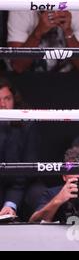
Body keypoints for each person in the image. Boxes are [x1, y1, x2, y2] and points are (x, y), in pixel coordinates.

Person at [0, 77, 39, 220]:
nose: (2, 104)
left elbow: (28, 166)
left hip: (19, 182)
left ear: (14, 100)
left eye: (7, 99)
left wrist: (11, 203)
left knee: (38, 193)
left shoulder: (26, 124)